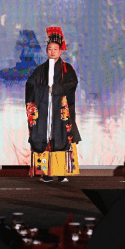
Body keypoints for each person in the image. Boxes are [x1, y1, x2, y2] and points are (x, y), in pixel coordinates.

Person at [25, 26, 81, 182]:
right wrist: (44, 91)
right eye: (50, 49)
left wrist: (56, 89)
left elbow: (72, 84)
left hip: (60, 110)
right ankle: (47, 173)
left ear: (60, 51)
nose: (52, 52)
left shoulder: (67, 69)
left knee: (62, 137)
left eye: (55, 49)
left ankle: (62, 173)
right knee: (46, 138)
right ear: (46, 50)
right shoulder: (40, 70)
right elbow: (30, 85)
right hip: (44, 109)